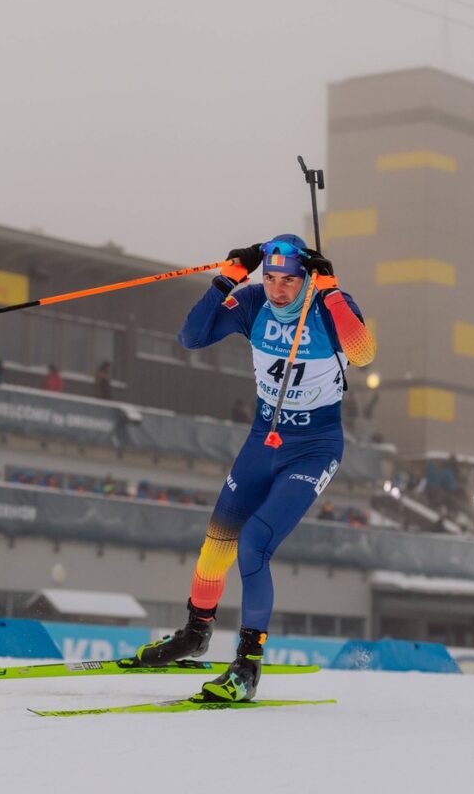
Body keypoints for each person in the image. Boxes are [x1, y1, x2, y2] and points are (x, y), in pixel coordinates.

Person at [132, 234, 374, 702]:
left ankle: (247, 664)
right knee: (216, 545)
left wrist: (330, 291)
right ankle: (195, 633)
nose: (278, 290)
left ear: (307, 279)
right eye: (271, 278)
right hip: (263, 441)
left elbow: (363, 353)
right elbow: (191, 337)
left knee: (254, 544)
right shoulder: (254, 301)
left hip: (314, 448)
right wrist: (228, 278)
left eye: (289, 281)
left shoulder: (329, 304)